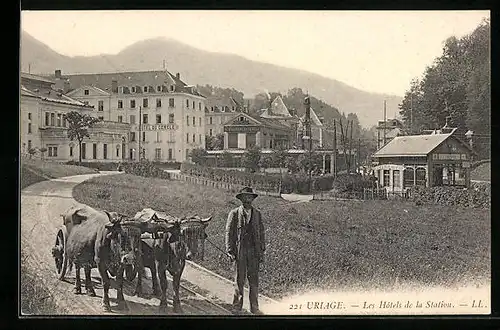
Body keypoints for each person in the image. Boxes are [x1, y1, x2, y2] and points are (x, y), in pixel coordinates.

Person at [225, 186, 265, 315]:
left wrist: (262, 250)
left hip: (254, 251)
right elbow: (229, 232)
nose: (247, 199)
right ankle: (237, 306)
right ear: (241, 199)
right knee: (239, 279)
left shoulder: (257, 214)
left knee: (254, 280)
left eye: (249, 197)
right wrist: (230, 250)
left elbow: (262, 232)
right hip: (240, 250)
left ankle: (254, 307)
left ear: (252, 199)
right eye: (245, 197)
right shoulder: (234, 213)